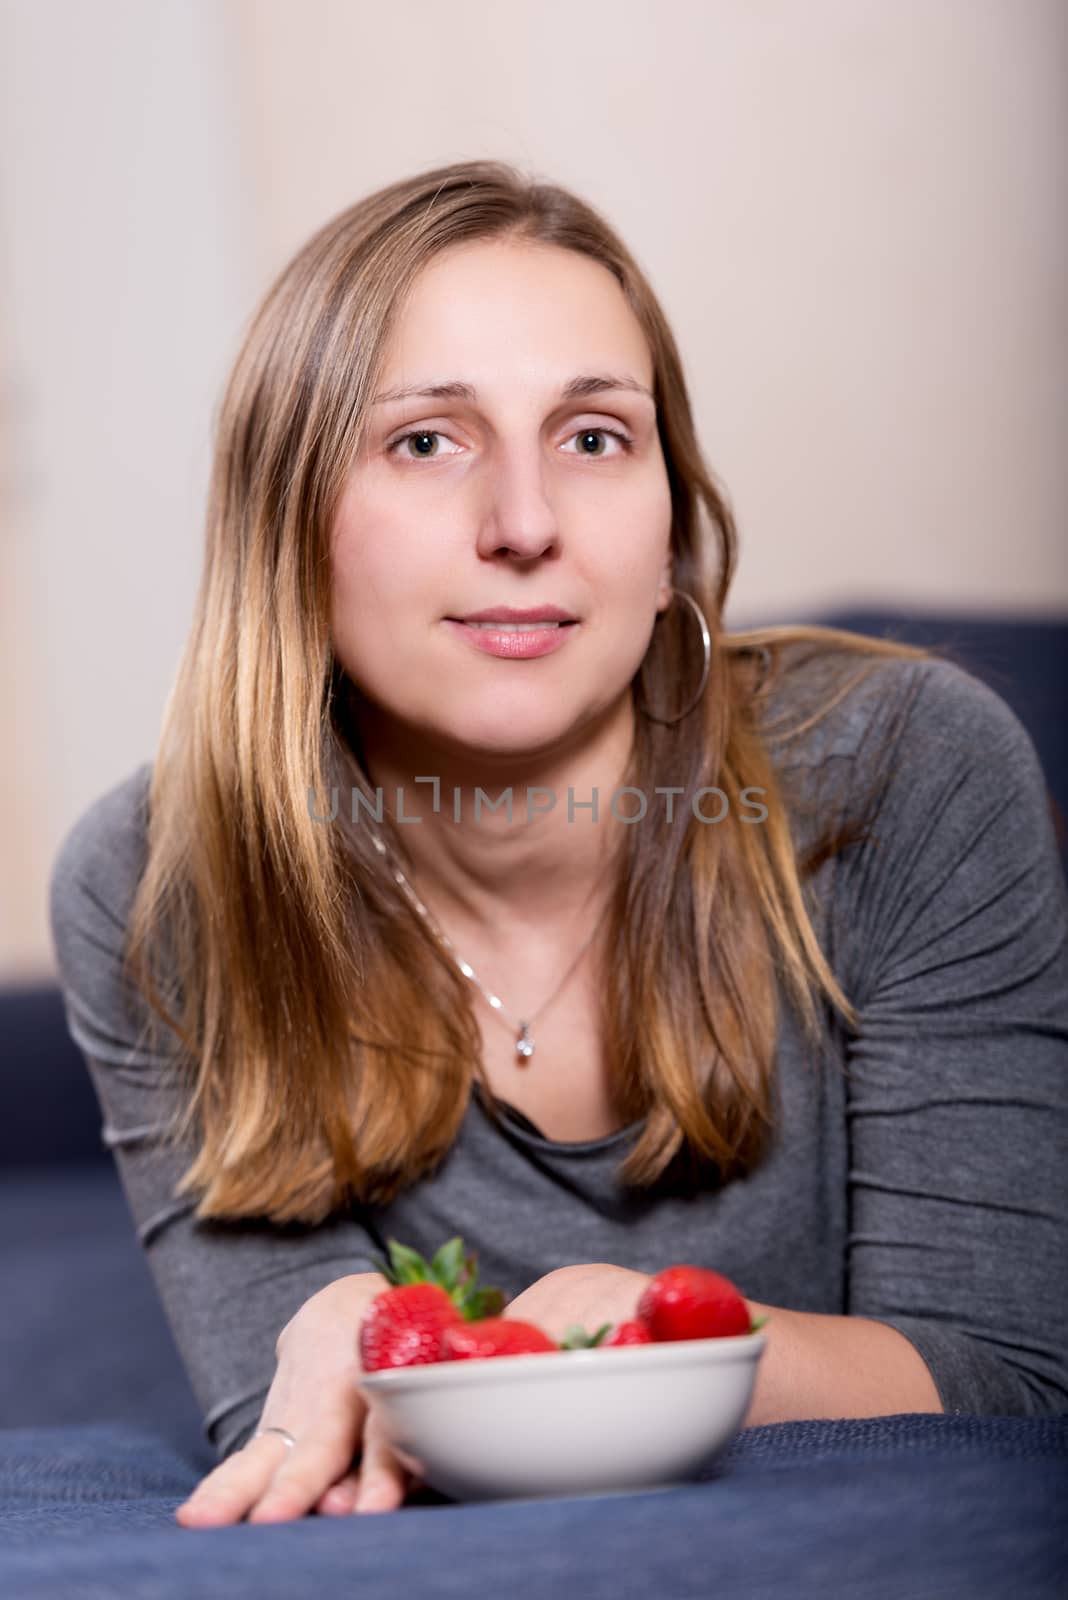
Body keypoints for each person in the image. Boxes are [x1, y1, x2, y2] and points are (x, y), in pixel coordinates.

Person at [48, 159, 1068, 1528]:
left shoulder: (910, 772)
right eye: (425, 441)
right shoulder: (156, 885)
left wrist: (657, 1343)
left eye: (594, 437)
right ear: (284, 529)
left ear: (669, 532)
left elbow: (1012, 1381)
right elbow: (303, 1450)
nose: (525, 526)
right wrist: (330, 1330)